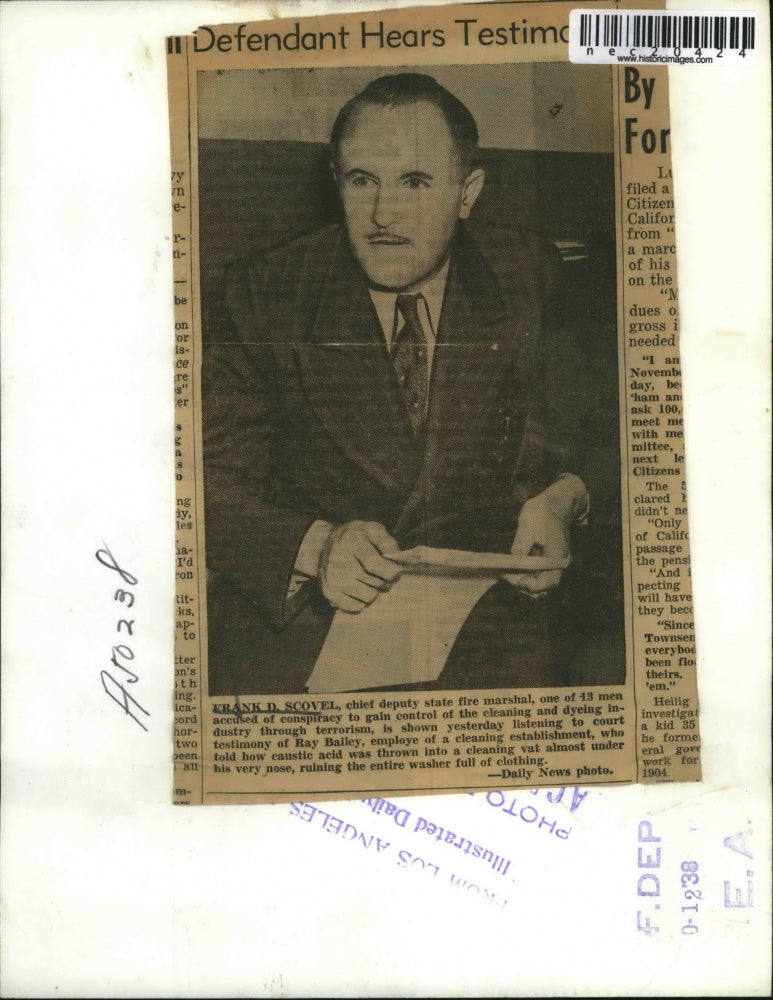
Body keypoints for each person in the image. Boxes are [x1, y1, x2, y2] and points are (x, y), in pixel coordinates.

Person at [203, 73, 597, 696]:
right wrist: (317, 546)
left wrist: (561, 498)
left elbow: (584, 432)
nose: (384, 215)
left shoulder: (528, 274)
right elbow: (208, 483)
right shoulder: (260, 293)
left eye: (415, 182)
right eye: (363, 181)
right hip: (311, 631)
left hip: (486, 629)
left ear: (468, 192)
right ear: (337, 182)